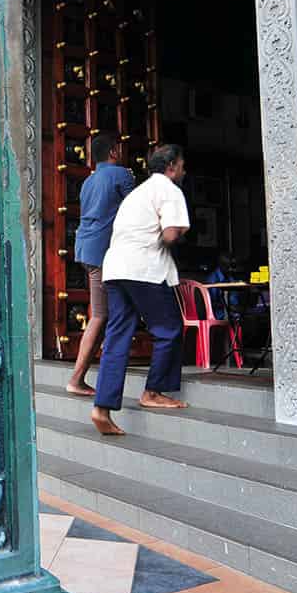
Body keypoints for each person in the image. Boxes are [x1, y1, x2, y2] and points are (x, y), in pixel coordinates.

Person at [91, 144, 190, 436]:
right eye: (182, 164)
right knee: (169, 328)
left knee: (117, 335)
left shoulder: (138, 193)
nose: (184, 170)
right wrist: (182, 231)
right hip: (143, 268)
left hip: (116, 268)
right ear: (171, 166)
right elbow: (171, 233)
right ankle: (153, 392)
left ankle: (101, 407)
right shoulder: (169, 190)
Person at [67, 133, 134, 396]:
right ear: (114, 152)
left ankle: (84, 376)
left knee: (103, 313)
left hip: (86, 250)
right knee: (100, 315)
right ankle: (76, 378)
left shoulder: (88, 181)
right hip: (104, 254)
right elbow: (136, 207)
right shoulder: (120, 175)